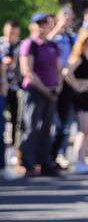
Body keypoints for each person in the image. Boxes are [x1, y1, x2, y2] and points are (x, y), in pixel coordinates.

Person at [18, 13, 63, 177]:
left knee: (47, 129)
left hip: (51, 92)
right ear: (34, 25)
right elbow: (27, 71)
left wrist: (57, 87)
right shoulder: (29, 44)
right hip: (35, 91)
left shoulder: (52, 45)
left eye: (46, 23)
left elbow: (59, 70)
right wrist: (45, 89)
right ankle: (28, 163)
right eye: (40, 23)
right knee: (31, 128)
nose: (43, 26)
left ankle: (45, 162)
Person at [63, 28, 88, 172]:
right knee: (83, 130)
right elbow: (67, 72)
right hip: (83, 96)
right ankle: (78, 160)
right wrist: (77, 86)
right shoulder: (79, 56)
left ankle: (83, 159)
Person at [47, 5, 78, 167]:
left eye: (69, 16)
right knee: (53, 121)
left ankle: (60, 154)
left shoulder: (72, 37)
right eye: (64, 16)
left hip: (67, 82)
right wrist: (58, 28)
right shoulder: (52, 36)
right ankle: (48, 154)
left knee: (65, 122)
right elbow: (45, 43)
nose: (67, 19)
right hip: (53, 82)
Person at [1, 21, 22, 160]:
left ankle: (15, 148)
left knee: (17, 118)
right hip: (2, 87)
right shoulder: (1, 45)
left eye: (13, 34)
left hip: (15, 87)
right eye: (8, 33)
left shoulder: (21, 46)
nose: (10, 36)